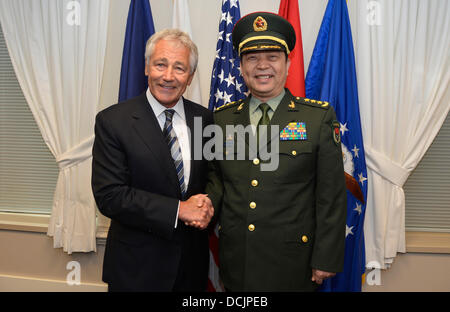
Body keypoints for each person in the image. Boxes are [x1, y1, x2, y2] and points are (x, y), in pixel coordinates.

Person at [206, 12, 347, 291]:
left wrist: (326, 258)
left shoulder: (316, 118)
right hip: (239, 262)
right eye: (252, 58)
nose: (262, 66)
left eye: (272, 56)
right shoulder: (222, 120)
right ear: (241, 67)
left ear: (288, 62)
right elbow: (218, 182)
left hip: (294, 264)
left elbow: (331, 195)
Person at [91, 29, 214, 292]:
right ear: (147, 67)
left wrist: (207, 203)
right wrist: (179, 209)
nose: (168, 76)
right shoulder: (113, 122)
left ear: (190, 77)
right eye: (160, 64)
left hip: (191, 270)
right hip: (136, 271)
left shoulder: (204, 120)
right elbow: (110, 196)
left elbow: (213, 177)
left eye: (179, 68)